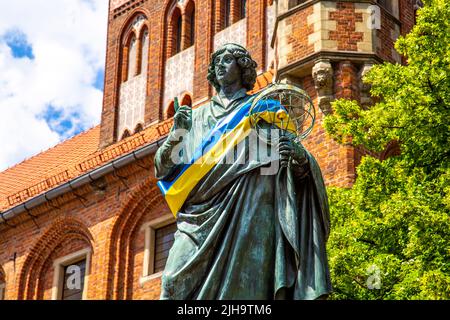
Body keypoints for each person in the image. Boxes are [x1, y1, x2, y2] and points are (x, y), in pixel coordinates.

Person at [155, 43, 332, 300]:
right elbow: (162, 169)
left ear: (243, 68)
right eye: (216, 62)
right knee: (172, 285)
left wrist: (299, 158)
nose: (220, 65)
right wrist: (176, 134)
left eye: (227, 60)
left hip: (253, 209)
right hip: (198, 217)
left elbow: (287, 173)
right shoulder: (195, 118)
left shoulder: (263, 111)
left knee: (247, 293)